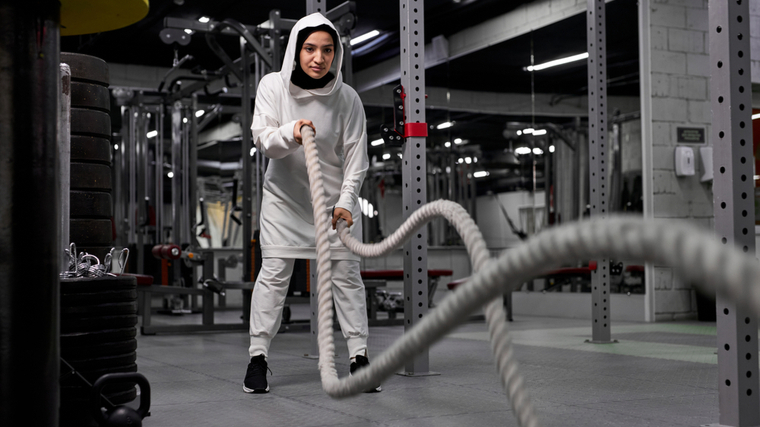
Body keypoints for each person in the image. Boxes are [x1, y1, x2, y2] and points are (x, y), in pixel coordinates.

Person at [242, 13, 380, 394]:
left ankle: (359, 357)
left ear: (335, 54)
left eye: (327, 50)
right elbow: (263, 139)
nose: (319, 58)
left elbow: (357, 159)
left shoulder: (347, 98)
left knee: (347, 279)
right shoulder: (274, 87)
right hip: (284, 203)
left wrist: (347, 201)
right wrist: (293, 129)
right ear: (296, 50)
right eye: (310, 49)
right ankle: (257, 358)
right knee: (273, 276)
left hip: (334, 205)